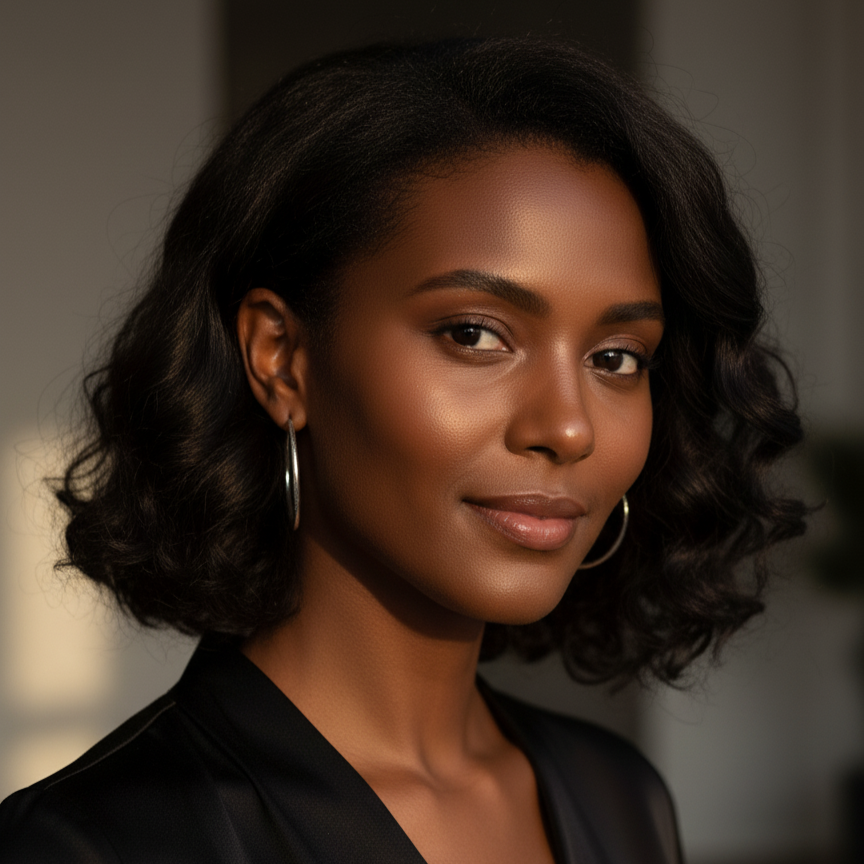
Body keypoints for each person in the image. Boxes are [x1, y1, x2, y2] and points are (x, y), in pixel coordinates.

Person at [0, 36, 806, 863]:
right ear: (282, 358)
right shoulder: (98, 844)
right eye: (474, 334)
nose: (569, 428)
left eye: (616, 358)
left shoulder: (620, 799)